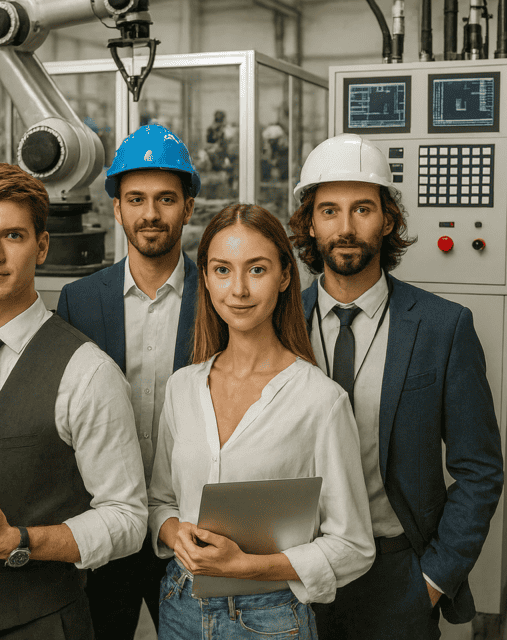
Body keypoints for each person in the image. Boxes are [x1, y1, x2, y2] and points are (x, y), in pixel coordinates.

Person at [0, 162, 147, 639]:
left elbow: (128, 518)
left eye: (12, 236)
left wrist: (18, 541)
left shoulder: (88, 371)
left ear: (42, 245)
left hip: (44, 623)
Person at [289, 134, 504, 639]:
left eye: (362, 209)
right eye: (329, 211)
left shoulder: (442, 327)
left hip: (397, 574)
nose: (345, 228)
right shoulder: (279, 323)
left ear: (387, 220)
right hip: (294, 573)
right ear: (309, 223)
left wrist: (433, 579)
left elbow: (480, 469)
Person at [148, 203, 375, 640]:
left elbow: (353, 546)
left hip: (270, 617)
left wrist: (249, 567)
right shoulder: (182, 388)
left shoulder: (320, 401)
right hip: (179, 605)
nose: (238, 290)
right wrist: (174, 533)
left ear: (284, 277)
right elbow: (160, 501)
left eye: (256, 270)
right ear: (206, 280)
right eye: (221, 270)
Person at [56, 124, 199, 639]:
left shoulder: (220, 297)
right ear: (116, 209)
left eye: (165, 198)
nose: (150, 214)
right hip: (103, 516)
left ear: (187, 207)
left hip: (190, 526)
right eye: (135, 199)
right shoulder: (80, 300)